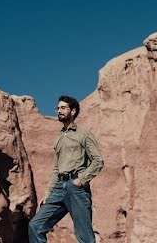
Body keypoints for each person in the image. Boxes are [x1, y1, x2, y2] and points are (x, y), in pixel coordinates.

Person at [28, 95, 104, 243]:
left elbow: (98, 161)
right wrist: (49, 192)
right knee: (35, 225)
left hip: (76, 188)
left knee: (85, 236)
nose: (59, 111)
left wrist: (81, 180)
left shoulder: (84, 134)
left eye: (63, 108)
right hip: (58, 188)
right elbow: (56, 168)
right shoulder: (58, 139)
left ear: (73, 111)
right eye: (58, 108)